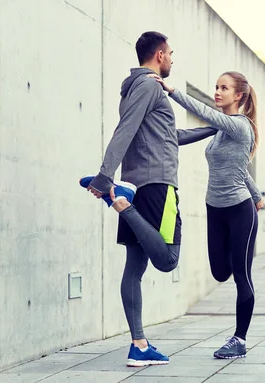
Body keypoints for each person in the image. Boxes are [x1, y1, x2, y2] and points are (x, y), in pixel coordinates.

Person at [85, 31, 215, 367]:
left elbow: (170, 136)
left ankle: (139, 346)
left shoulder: (136, 90)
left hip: (136, 181)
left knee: (135, 266)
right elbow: (124, 130)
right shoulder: (150, 85)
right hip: (157, 186)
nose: (172, 59)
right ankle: (121, 203)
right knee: (168, 259)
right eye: (170, 53)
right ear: (159, 55)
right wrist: (103, 176)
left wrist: (213, 127)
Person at [151, 71, 265, 359]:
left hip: (240, 210)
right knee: (219, 271)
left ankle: (240, 339)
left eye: (223, 88)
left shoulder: (238, 125)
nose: (217, 92)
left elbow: (203, 113)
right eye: (216, 87)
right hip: (214, 208)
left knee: (241, 274)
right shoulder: (221, 131)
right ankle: (238, 332)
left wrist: (172, 91)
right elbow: (238, 166)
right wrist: (258, 192)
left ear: (238, 96)